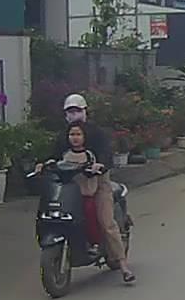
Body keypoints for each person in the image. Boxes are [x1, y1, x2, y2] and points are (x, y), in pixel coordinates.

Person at [38, 94, 135, 283]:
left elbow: (106, 153)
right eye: (70, 111)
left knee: (106, 222)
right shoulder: (63, 135)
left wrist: (100, 165)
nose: (73, 115)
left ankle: (123, 265)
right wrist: (43, 163)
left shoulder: (96, 133)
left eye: (77, 111)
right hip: (72, 185)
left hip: (97, 184)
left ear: (84, 111)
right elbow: (54, 155)